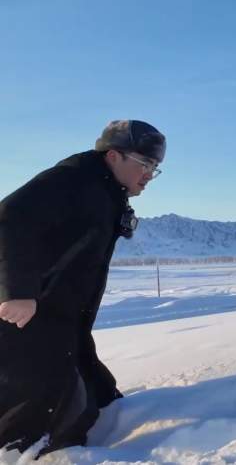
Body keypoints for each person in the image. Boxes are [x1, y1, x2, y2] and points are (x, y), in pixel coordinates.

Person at [0, 120, 166, 455]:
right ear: (114, 156)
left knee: (95, 395)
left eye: (155, 168)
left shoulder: (107, 192)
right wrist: (17, 290)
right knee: (36, 409)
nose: (149, 174)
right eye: (145, 164)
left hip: (64, 319)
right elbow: (9, 220)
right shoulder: (71, 181)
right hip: (29, 317)